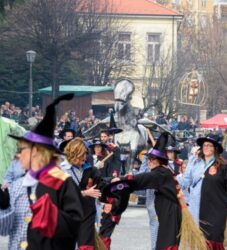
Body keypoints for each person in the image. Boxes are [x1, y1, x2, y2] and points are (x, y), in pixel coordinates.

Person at [0, 93, 84, 250]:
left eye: (22, 150)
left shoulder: (62, 182)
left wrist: (52, 216)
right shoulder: (19, 184)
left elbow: (76, 225)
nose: (18, 155)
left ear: (36, 152)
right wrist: (4, 207)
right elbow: (4, 231)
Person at [101, 133, 207, 250]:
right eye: (148, 159)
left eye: (152, 159)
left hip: (170, 212)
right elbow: (143, 178)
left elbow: (140, 179)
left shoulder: (160, 173)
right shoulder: (164, 171)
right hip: (169, 211)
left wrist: (119, 180)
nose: (149, 161)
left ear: (160, 160)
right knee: (164, 243)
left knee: (167, 245)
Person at [178, 136, 227, 249]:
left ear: (215, 149)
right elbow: (185, 182)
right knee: (198, 241)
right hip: (196, 209)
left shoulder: (221, 166)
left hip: (215, 210)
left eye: (209, 145)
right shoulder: (194, 163)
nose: (206, 147)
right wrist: (171, 179)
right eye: (204, 145)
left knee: (213, 240)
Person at [61, 138, 106, 250]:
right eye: (81, 154)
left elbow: (102, 185)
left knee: (86, 246)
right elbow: (62, 194)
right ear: (73, 154)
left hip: (87, 215)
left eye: (85, 154)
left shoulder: (90, 169)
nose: (85, 157)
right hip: (67, 215)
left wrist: (115, 182)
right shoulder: (61, 170)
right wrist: (85, 192)